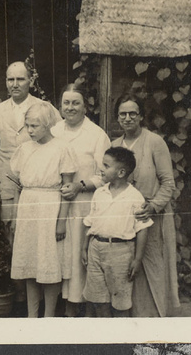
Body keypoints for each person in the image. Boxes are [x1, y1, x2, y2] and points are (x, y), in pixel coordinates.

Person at [0, 60, 62, 315]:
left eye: (20, 79)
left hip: (40, 183)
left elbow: (57, 140)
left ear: (30, 81)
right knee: (14, 240)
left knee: (43, 244)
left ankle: (44, 304)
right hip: (10, 184)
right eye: (10, 80)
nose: (14, 84)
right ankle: (21, 299)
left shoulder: (44, 108)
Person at [111, 93, 180, 317]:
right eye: (123, 114)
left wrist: (152, 207)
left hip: (153, 217)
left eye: (133, 113)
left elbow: (168, 183)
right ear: (117, 118)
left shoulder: (154, 142)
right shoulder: (114, 146)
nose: (128, 118)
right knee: (128, 266)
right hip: (124, 219)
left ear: (141, 116)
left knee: (153, 267)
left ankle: (154, 320)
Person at [10, 101, 77, 318]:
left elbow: (67, 187)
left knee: (50, 262)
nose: (29, 131)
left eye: (34, 126)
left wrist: (61, 221)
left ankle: (48, 316)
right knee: (30, 262)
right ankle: (32, 315)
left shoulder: (62, 148)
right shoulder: (25, 149)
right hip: (28, 208)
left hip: (50, 208)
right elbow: (20, 186)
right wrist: (16, 216)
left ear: (47, 125)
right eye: (27, 126)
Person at [51, 84, 111, 317]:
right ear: (60, 106)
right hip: (57, 203)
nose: (70, 107)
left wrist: (80, 185)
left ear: (85, 106)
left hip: (84, 203)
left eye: (76, 102)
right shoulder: (54, 130)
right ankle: (59, 304)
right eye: (66, 102)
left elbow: (105, 173)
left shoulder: (97, 135)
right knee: (59, 253)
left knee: (78, 256)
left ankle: (78, 308)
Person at [82, 147, 153, 317]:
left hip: (121, 252)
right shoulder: (100, 193)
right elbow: (90, 222)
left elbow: (142, 229)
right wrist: (84, 248)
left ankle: (120, 336)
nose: (101, 169)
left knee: (120, 301)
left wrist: (137, 259)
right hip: (96, 248)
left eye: (106, 166)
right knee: (99, 300)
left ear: (121, 172)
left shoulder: (134, 197)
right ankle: (105, 337)